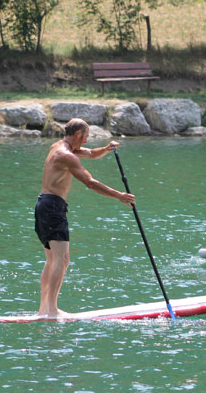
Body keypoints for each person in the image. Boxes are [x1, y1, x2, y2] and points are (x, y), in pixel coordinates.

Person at [34, 118, 136, 318]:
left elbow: (89, 153)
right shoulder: (66, 155)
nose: (87, 142)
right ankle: (52, 310)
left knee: (52, 260)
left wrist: (106, 149)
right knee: (62, 260)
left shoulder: (59, 147)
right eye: (86, 137)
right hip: (53, 207)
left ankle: (44, 310)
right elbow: (89, 182)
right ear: (79, 134)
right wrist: (120, 196)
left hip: (44, 204)